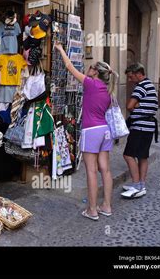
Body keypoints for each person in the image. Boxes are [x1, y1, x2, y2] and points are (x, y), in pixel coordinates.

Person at [55, 42, 118, 221]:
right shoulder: (108, 90)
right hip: (105, 131)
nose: (88, 69)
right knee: (105, 170)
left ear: (96, 72)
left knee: (91, 170)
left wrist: (60, 49)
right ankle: (106, 205)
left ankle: (92, 209)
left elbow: (69, 66)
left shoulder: (90, 84)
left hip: (91, 130)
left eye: (91, 67)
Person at [121, 63, 158, 198]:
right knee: (143, 156)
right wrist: (139, 104)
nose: (130, 80)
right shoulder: (150, 85)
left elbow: (129, 106)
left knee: (128, 155)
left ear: (138, 74)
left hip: (140, 127)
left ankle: (136, 185)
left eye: (131, 77)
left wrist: (136, 104)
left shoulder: (141, 87)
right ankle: (141, 185)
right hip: (148, 126)